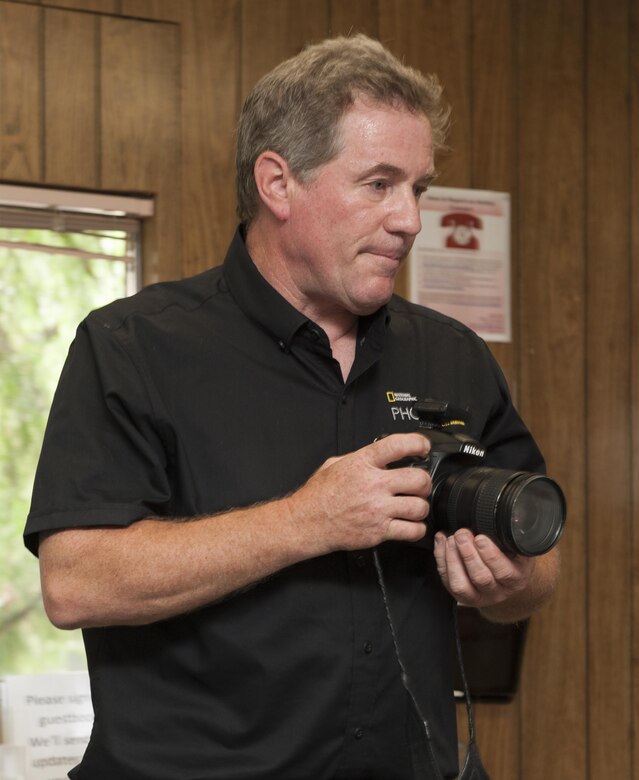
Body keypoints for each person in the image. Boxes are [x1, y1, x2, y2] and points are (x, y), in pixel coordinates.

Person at [25, 34, 560, 780]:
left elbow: (538, 566)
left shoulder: (452, 355)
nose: (409, 219)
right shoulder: (133, 347)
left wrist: (508, 584)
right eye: (378, 184)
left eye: (419, 189)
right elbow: (76, 582)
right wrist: (307, 521)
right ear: (277, 184)